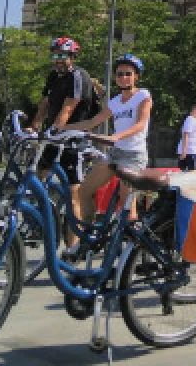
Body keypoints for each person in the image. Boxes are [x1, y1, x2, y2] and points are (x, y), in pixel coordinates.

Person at [56, 54, 152, 258]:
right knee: (84, 191)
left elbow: (140, 125)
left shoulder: (143, 95)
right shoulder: (116, 101)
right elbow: (92, 122)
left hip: (133, 156)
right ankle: (88, 237)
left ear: (136, 77)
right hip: (114, 153)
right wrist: (62, 129)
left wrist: (115, 136)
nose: (124, 77)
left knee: (127, 209)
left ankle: (132, 254)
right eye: (120, 74)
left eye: (128, 74)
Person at [28, 37, 97, 247]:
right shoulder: (53, 76)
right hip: (54, 137)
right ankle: (42, 222)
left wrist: (54, 131)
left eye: (63, 56)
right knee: (39, 178)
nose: (58, 60)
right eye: (55, 55)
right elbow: (45, 103)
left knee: (73, 196)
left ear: (72, 57)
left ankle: (72, 248)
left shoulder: (78, 76)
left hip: (72, 140)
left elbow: (68, 108)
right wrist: (34, 127)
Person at [177, 102, 196, 171]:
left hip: (192, 151)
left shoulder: (193, 120)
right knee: (193, 174)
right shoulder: (190, 119)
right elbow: (186, 134)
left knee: (189, 173)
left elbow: (194, 137)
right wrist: (184, 151)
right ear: (194, 110)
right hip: (189, 152)